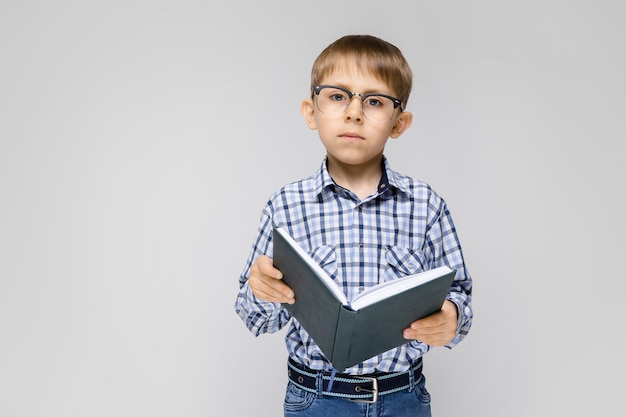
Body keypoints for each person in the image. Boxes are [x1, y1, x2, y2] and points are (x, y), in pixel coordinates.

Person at [234, 34, 473, 417]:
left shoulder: (426, 205)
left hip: (403, 398)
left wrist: (451, 319)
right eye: (338, 96)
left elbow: (459, 292)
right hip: (316, 400)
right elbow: (254, 318)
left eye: (375, 101)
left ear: (400, 123)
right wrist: (261, 289)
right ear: (311, 112)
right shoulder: (285, 207)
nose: (354, 113)